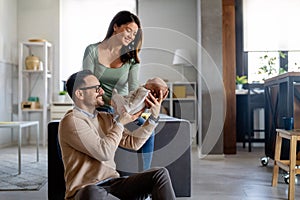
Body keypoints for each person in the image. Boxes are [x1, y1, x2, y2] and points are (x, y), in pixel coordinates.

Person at [58, 70, 176, 200]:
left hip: (114, 184)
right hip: (85, 190)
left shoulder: (105, 118)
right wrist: (120, 123)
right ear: (80, 94)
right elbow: (104, 153)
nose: (102, 92)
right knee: (92, 192)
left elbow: (134, 143)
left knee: (159, 174)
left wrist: (153, 117)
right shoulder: (71, 121)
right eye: (97, 89)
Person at [82, 10, 154, 171]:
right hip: (98, 107)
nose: (131, 35)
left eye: (134, 33)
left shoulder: (132, 59)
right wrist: (110, 102)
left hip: (122, 109)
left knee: (148, 132)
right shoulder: (92, 50)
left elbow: (134, 89)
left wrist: (136, 109)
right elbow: (88, 84)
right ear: (115, 27)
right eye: (128, 30)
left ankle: (144, 183)